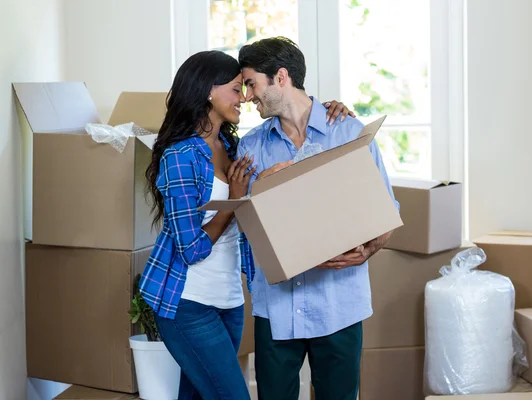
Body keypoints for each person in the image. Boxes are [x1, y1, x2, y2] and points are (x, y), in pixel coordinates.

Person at [138, 50, 354, 400]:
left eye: (246, 87)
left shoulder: (233, 145)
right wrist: (234, 202)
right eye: (237, 89)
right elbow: (189, 249)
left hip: (230, 300)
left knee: (196, 394)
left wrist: (329, 110)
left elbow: (266, 203)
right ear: (209, 91)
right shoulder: (179, 156)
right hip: (187, 302)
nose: (246, 97)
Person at [237, 37, 400, 400]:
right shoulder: (251, 147)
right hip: (276, 307)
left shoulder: (349, 133)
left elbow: (386, 210)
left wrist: (368, 250)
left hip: (338, 304)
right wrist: (261, 188)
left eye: (252, 83)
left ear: (281, 77)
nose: (248, 95)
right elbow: (245, 228)